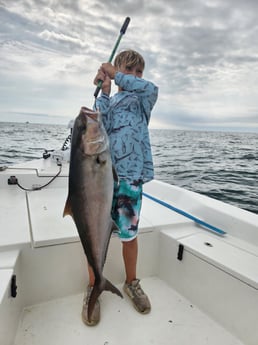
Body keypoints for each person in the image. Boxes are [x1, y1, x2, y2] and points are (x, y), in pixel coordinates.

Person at [82, 49, 158, 326]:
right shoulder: (112, 102)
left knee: (129, 236)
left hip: (131, 180)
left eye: (139, 71)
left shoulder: (143, 100)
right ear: (117, 69)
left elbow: (151, 87)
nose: (135, 75)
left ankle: (131, 283)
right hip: (104, 180)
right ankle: (93, 287)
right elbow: (100, 123)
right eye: (129, 69)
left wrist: (118, 75)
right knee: (95, 233)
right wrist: (104, 90)